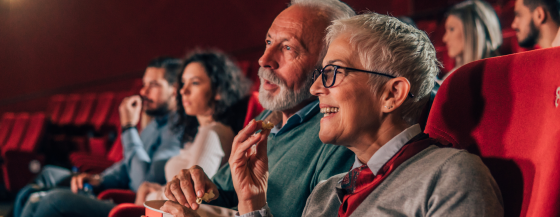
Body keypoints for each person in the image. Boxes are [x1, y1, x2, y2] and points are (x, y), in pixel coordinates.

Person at [223, 12, 503, 217]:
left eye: (332, 73)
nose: (317, 87)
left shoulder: (451, 176)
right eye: (321, 74)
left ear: (391, 94)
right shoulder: (325, 193)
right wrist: (252, 202)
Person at [160, 1, 356, 217]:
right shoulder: (267, 119)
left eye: (288, 48)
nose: (264, 60)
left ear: (329, 66)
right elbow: (224, 194)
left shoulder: (339, 136)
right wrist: (196, 186)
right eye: (269, 42)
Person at [15, 57, 184, 217]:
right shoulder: (154, 125)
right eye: (144, 84)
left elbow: (143, 181)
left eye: (153, 85)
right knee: (37, 188)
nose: (143, 91)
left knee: (52, 200)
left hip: (132, 203)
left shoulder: (178, 130)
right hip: (118, 192)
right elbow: (126, 165)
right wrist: (99, 179)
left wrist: (129, 128)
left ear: (174, 90)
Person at [134, 50, 251, 206]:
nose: (183, 90)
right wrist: (160, 188)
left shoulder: (212, 132)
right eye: (183, 83)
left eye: (194, 83)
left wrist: (151, 195)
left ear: (218, 91)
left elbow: (194, 197)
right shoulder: (204, 131)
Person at [439, 0, 502, 84]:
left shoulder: (498, 73)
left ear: (473, 31)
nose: (445, 38)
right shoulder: (448, 81)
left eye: (451, 29)